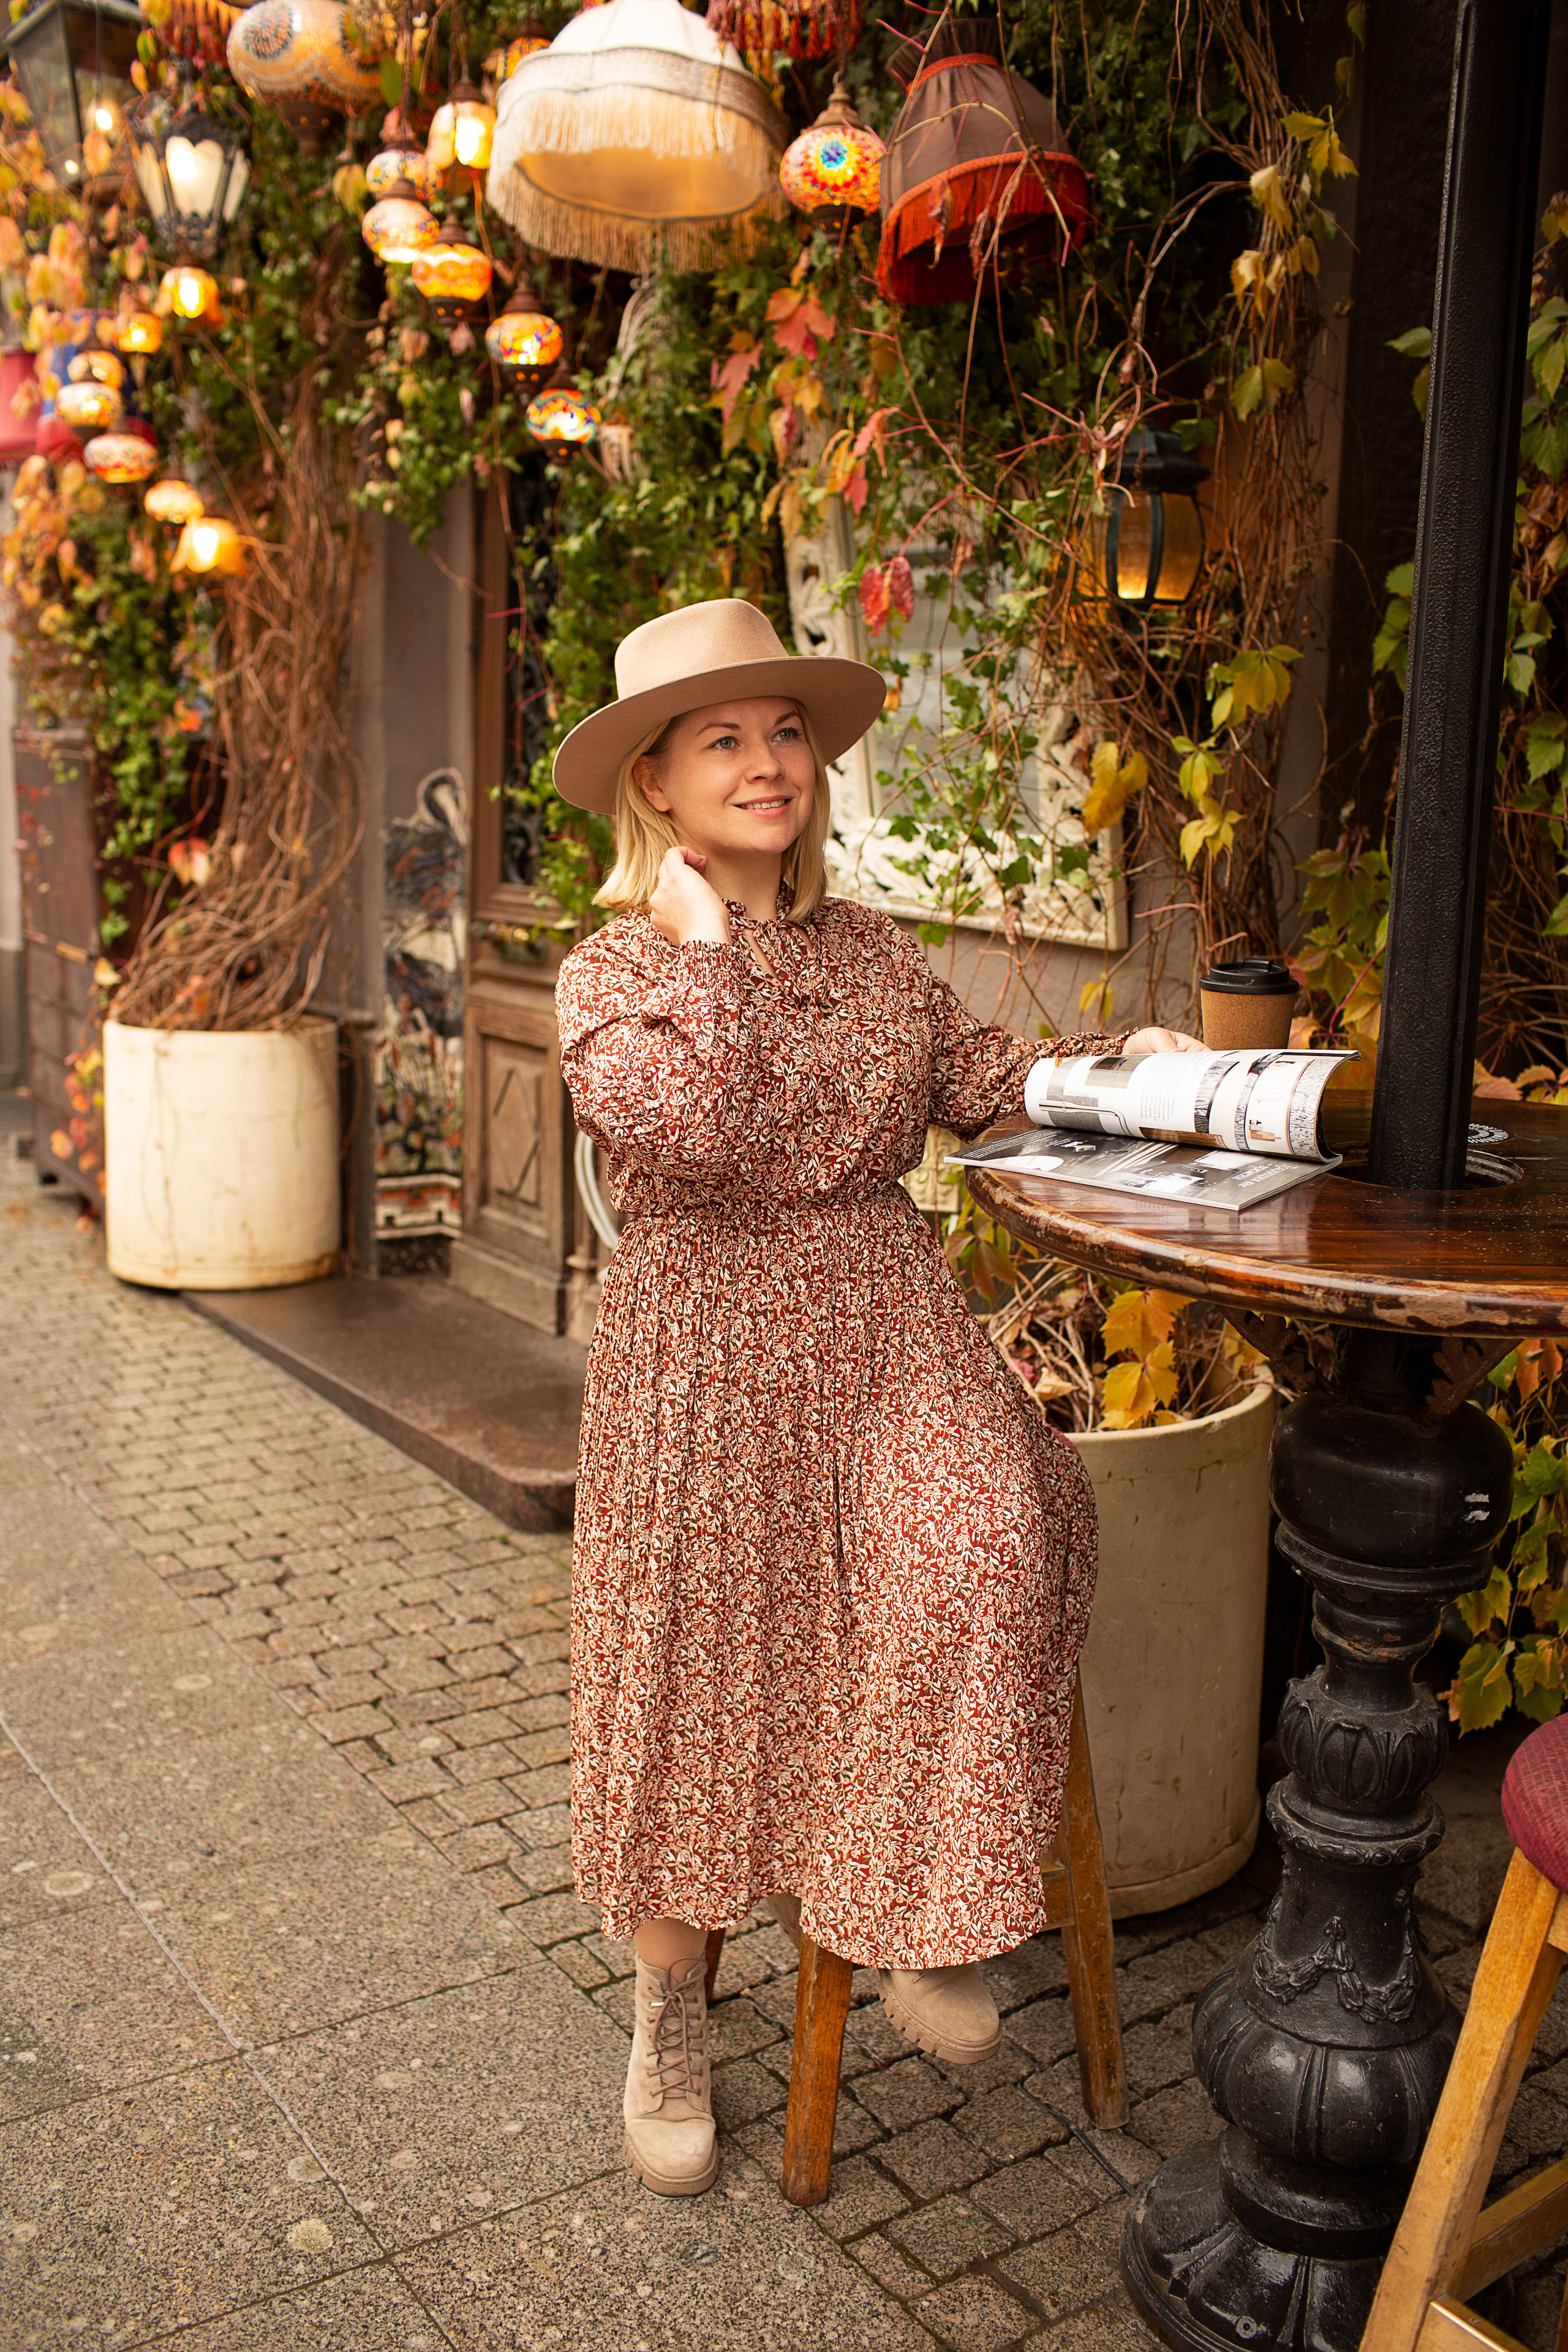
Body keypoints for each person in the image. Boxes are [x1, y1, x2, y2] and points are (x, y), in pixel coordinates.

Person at [552, 599, 1200, 2198]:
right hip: (703, 1344)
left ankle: (915, 1906)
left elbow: (977, 1078)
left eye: (787, 733)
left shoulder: (873, 950)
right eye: (725, 739)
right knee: (700, 1666)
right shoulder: (612, 969)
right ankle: (673, 2005)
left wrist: (1127, 1076)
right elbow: (683, 1123)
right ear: (656, 785)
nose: (770, 763)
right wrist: (706, 949)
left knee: (992, 1537)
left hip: (878, 1304)